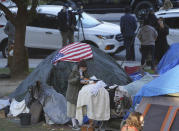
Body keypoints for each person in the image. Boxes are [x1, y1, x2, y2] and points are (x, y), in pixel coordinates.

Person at [66, 61, 89, 130]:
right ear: (80, 67)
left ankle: (80, 123)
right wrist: (78, 78)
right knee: (72, 109)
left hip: (81, 93)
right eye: (84, 68)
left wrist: (86, 80)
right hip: (73, 94)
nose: (85, 69)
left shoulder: (85, 72)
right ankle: (74, 124)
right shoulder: (74, 72)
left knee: (81, 109)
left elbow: (87, 78)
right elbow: (70, 81)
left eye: (85, 68)